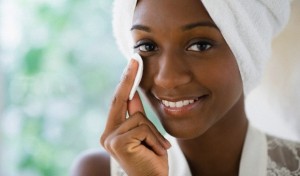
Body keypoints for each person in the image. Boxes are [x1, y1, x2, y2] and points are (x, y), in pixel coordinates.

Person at [70, 0, 300, 175]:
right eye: (147, 46)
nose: (167, 79)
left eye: (200, 45)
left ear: (249, 52)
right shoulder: (97, 171)